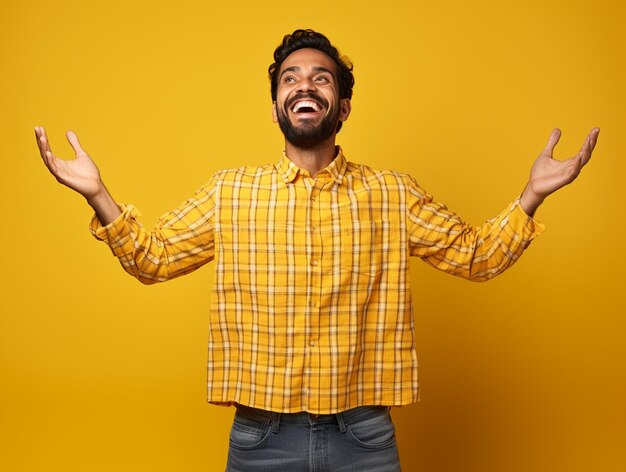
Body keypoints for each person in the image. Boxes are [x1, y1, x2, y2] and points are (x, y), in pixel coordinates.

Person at [35, 29, 599, 472]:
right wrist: (97, 192)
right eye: (290, 79)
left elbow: (476, 258)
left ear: (343, 106)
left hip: (365, 438)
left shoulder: (392, 192)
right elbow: (151, 260)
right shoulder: (230, 192)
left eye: (322, 79)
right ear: (278, 101)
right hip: (261, 438)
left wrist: (532, 195)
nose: (305, 86)